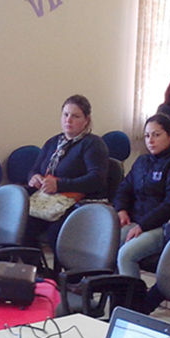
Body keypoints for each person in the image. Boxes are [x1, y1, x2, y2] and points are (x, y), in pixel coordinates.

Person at [113, 114, 170, 278]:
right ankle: (112, 289)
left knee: (126, 254)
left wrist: (143, 225)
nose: (150, 140)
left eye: (156, 135)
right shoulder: (142, 161)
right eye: (147, 136)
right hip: (137, 221)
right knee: (108, 244)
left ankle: (131, 294)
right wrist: (121, 210)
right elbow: (124, 188)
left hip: (163, 226)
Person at [27, 95, 109, 246]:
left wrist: (59, 185)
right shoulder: (53, 142)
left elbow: (96, 179)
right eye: (65, 115)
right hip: (47, 201)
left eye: (75, 116)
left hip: (77, 202)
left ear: (86, 120)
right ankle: (32, 261)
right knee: (20, 223)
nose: (68, 120)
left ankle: (60, 263)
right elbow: (34, 170)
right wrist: (34, 177)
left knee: (56, 234)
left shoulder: (93, 144)